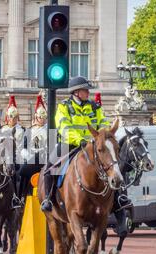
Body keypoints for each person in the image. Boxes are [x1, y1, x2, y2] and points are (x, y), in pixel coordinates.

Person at [40, 76, 111, 212]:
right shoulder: (64, 107)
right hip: (70, 144)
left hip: (94, 145)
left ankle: (119, 201)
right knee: (50, 167)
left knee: (113, 166)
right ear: (76, 92)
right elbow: (64, 127)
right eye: (85, 90)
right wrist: (79, 140)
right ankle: (48, 199)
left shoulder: (95, 107)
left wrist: (100, 137)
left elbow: (103, 123)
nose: (88, 92)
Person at [18, 95, 48, 202]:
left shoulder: (50, 129)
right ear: (36, 116)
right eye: (40, 118)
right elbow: (23, 148)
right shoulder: (29, 130)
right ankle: (20, 196)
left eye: (44, 118)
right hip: (32, 158)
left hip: (45, 157)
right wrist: (28, 156)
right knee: (22, 171)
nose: (42, 120)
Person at [1, 95, 24, 208]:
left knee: (17, 173)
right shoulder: (2, 129)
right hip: (4, 157)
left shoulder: (22, 129)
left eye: (14, 117)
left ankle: (16, 196)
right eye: (10, 117)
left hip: (17, 156)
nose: (12, 119)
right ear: (7, 117)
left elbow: (24, 145)